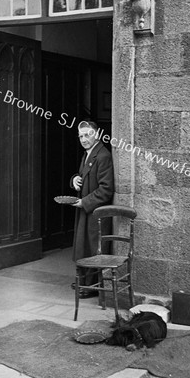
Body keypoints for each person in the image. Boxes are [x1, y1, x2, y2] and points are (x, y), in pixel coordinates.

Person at [70, 120, 114, 298]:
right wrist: (74, 180)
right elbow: (82, 177)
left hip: (96, 212)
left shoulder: (102, 156)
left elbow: (106, 189)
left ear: (96, 134)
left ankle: (92, 287)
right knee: (83, 247)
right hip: (87, 210)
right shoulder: (88, 154)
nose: (83, 139)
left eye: (87, 134)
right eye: (81, 136)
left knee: (93, 247)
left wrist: (84, 202)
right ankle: (85, 282)